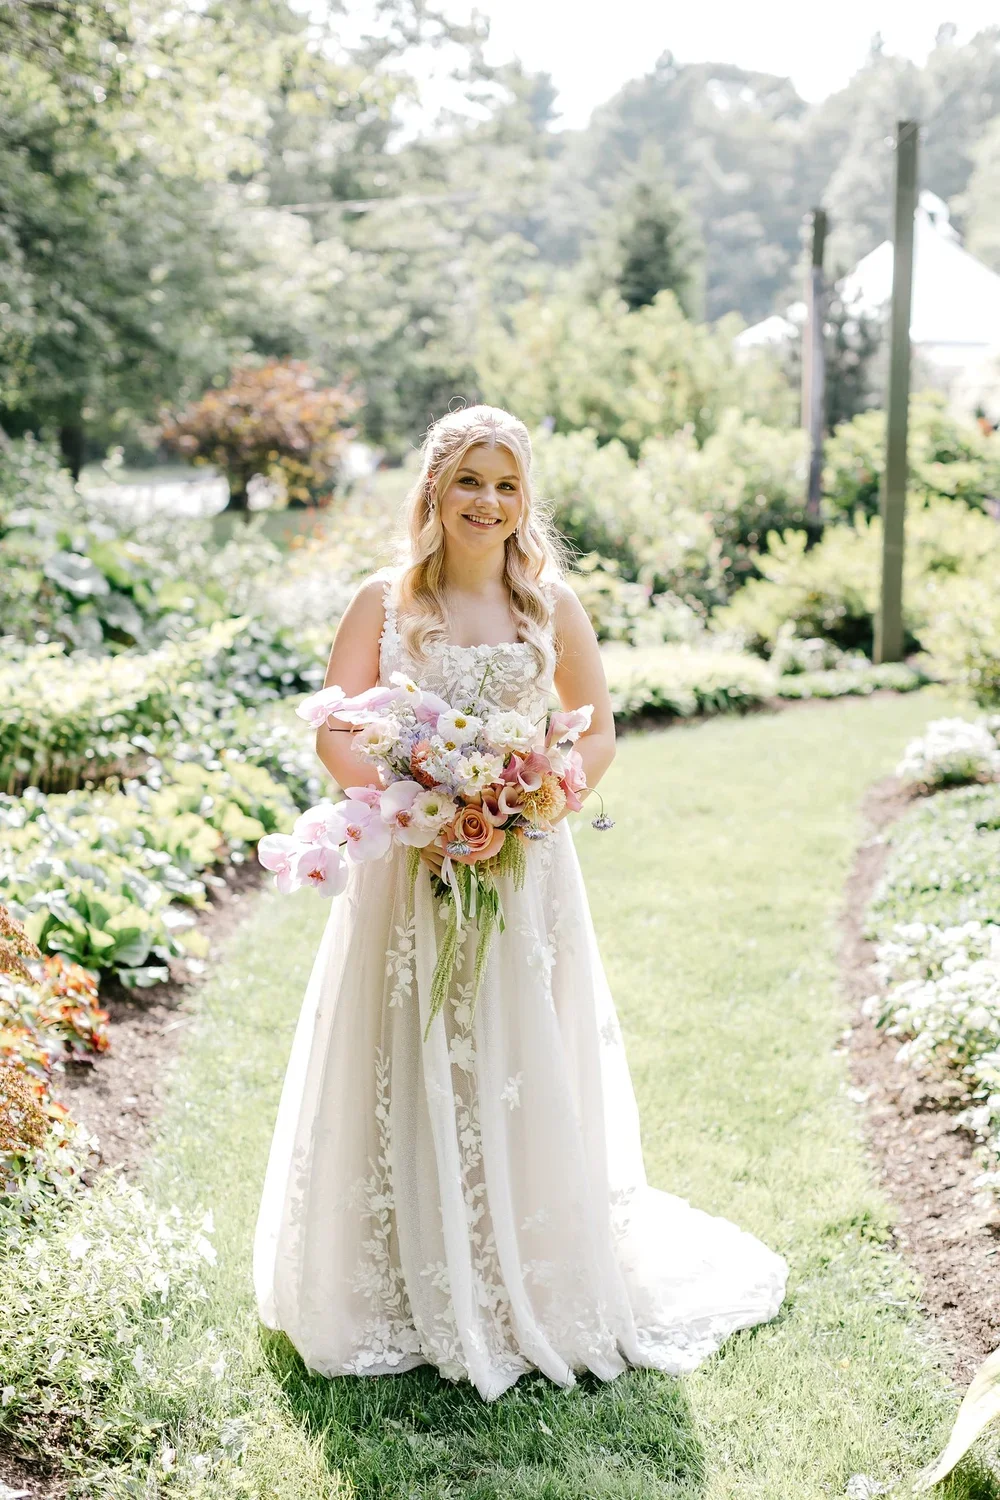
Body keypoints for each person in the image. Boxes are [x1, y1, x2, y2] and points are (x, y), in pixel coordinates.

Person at [253, 404, 787, 1400]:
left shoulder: (550, 606)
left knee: (513, 1049)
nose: (486, 502)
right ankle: (396, 1279)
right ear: (433, 491)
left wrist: (530, 789)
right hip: (406, 871)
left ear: (524, 499)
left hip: (522, 863)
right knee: (404, 1044)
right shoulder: (382, 603)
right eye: (468, 481)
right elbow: (334, 728)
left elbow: (597, 735)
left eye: (505, 484)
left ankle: (513, 1269)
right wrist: (413, 792)